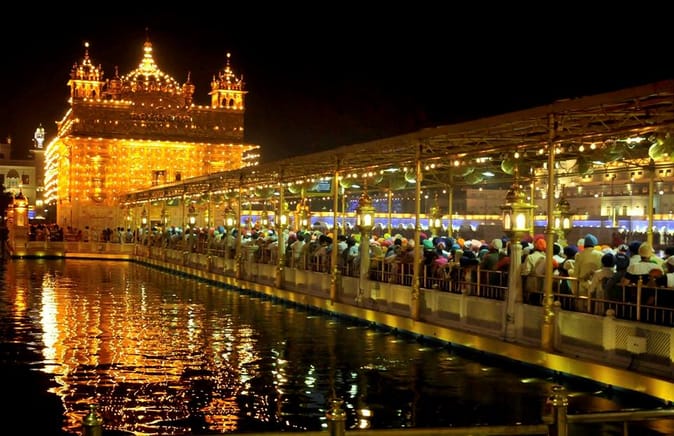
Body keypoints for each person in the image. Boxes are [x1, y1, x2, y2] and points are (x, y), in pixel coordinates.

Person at [572, 233, 603, 311]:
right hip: (596, 285)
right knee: (594, 308)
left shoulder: (579, 255)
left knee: (581, 309)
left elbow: (576, 273)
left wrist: (574, 290)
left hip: (581, 285)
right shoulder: (601, 255)